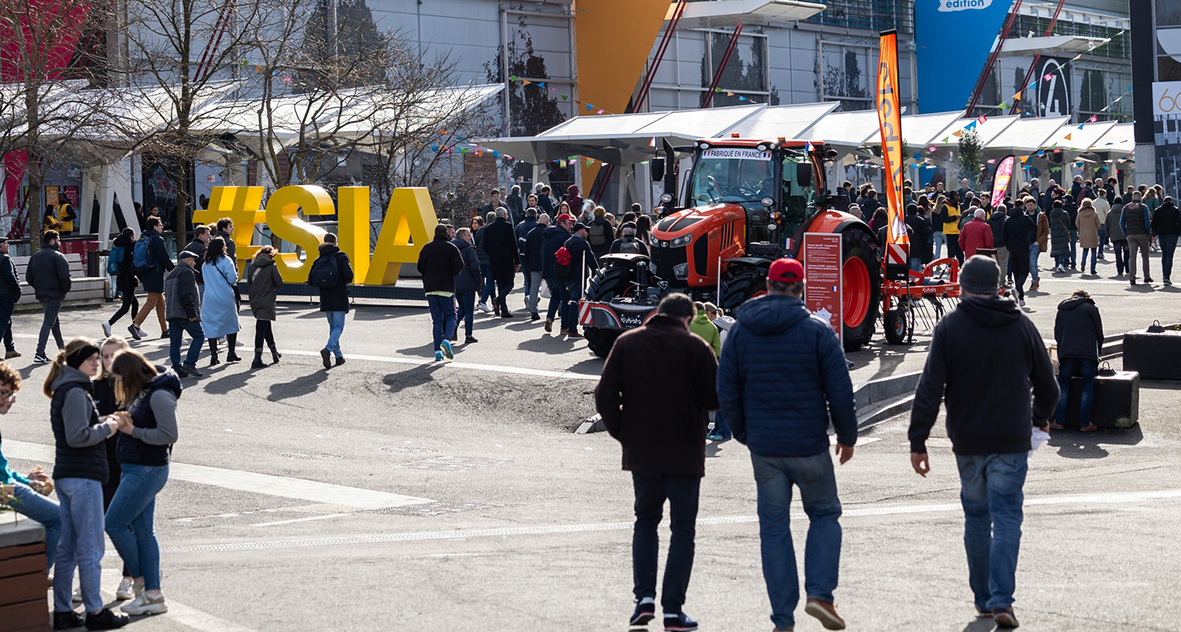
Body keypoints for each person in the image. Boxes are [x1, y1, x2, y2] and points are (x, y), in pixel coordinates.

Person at [908, 256, 1058, 629]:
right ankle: (1002, 599)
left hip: (968, 439)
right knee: (1007, 517)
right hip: (1011, 438)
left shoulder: (950, 327)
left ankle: (983, 601)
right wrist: (1038, 420)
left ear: (961, 286)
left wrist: (918, 439)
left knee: (976, 517)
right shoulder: (1021, 325)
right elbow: (1049, 387)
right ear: (999, 286)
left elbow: (929, 388)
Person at [716, 257, 856, 632]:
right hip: (809, 443)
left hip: (765, 448)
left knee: (774, 528)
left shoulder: (742, 330)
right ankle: (820, 595)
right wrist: (846, 436)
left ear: (768, 283)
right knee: (824, 514)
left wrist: (745, 433)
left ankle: (782, 619)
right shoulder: (816, 330)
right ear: (801, 287)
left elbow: (726, 389)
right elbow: (840, 390)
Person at [594, 294, 719, 632]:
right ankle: (674, 611)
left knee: (646, 522)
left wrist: (623, 433)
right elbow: (713, 398)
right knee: (683, 530)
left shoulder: (627, 343)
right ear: (686, 319)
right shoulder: (697, 348)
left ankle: (643, 600)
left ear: (658, 314)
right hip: (685, 453)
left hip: (643, 452)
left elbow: (604, 394)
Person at [47, 338, 129, 630]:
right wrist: (108, 427)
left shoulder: (70, 389)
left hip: (69, 475)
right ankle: (95, 611)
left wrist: (104, 419)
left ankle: (63, 610)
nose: (97, 363)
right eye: (91, 359)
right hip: (82, 477)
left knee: (68, 547)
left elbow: (76, 430)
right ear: (76, 363)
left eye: (98, 358)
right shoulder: (75, 392)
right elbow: (78, 436)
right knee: (91, 546)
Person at [105, 350, 180, 617]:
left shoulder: (158, 393)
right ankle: (152, 594)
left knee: (113, 523)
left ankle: (142, 584)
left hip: (146, 469)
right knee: (143, 531)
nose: (118, 386)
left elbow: (169, 434)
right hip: (139, 468)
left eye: (119, 380)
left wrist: (132, 430)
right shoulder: (147, 390)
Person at [0, 362, 61, 573]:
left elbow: (3, 470)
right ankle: (38, 576)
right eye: (2, 393)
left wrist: (28, 481)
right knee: (59, 518)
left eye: (8, 394)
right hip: (4, 492)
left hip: (5, 488)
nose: (6, 399)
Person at [91, 335, 136, 602]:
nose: (108, 361)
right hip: (103, 464)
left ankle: (129, 577)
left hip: (129, 464)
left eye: (114, 356)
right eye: (104, 356)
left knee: (126, 523)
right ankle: (89, 578)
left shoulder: (134, 387)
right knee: (99, 523)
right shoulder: (96, 387)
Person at [1052, 289, 1103, 432]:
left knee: (1063, 386)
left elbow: (1057, 332)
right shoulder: (1091, 308)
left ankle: (1059, 421)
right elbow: (1099, 333)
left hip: (1067, 352)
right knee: (1087, 387)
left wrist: (1062, 348)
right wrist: (1098, 352)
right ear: (1086, 297)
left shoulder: (1062, 309)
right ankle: (1085, 423)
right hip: (1087, 353)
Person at [417, 224, 463, 361]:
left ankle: (437, 351)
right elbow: (459, 266)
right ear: (446, 234)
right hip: (446, 287)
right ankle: (447, 340)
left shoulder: (426, 248)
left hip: (430, 288)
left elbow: (419, 266)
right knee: (451, 316)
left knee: (436, 320)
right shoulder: (451, 248)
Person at [26, 229, 71, 363]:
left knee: (54, 323)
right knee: (48, 322)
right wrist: (64, 290)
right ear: (52, 241)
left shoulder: (35, 256)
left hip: (42, 294)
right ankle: (39, 353)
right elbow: (65, 278)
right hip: (55, 294)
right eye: (58, 240)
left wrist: (39, 288)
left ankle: (63, 351)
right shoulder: (58, 256)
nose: (59, 243)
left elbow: (29, 277)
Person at [128, 217, 174, 340]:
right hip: (155, 273)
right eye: (160, 224)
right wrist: (174, 271)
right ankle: (136, 325)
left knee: (160, 302)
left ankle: (165, 330)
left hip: (146, 272)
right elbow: (164, 258)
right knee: (151, 301)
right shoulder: (157, 239)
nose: (162, 226)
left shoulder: (144, 237)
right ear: (154, 226)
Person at [314, 233, 353, 368]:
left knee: (333, 327)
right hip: (338, 296)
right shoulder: (341, 257)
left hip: (325, 297)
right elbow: (349, 276)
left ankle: (339, 356)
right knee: (338, 327)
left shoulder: (320, 258)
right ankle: (328, 349)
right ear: (335, 242)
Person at [200, 238, 241, 366]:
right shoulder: (226, 260)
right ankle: (231, 352)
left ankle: (213, 355)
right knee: (231, 323)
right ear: (222, 247)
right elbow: (233, 278)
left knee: (211, 325)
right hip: (225, 296)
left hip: (209, 298)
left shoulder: (205, 264)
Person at [163, 251, 204, 378]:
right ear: (187, 260)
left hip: (172, 313)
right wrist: (192, 314)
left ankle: (176, 367)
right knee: (199, 336)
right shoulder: (186, 272)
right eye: (193, 260)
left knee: (175, 342)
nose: (195, 263)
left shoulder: (171, 274)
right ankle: (189, 363)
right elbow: (185, 295)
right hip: (184, 313)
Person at [245, 246, 284, 368]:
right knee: (261, 328)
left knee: (266, 326)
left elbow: (249, 283)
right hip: (267, 300)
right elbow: (279, 283)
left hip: (255, 300)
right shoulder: (271, 266)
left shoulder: (252, 266)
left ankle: (274, 352)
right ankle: (257, 358)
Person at [562, 222, 598, 339]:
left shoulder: (568, 242)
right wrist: (597, 273)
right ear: (580, 231)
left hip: (567, 276)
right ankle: (573, 329)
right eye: (585, 230)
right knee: (575, 302)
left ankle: (565, 326)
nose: (587, 233)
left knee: (568, 302)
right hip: (578, 276)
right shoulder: (582, 243)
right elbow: (591, 259)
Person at [483, 208, 521, 318]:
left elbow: (485, 245)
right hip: (507, 259)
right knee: (509, 283)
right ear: (504, 215)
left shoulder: (488, 228)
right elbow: (513, 245)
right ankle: (499, 300)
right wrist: (517, 261)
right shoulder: (508, 226)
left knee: (500, 284)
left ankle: (504, 309)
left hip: (494, 260)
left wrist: (492, 254)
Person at [102, 229, 139, 340]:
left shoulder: (119, 244)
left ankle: (137, 326)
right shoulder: (130, 246)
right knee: (125, 307)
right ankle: (109, 323)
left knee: (135, 303)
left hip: (121, 278)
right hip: (128, 279)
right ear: (132, 236)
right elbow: (131, 264)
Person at [541, 213, 574, 333]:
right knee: (565, 299)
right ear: (562, 223)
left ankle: (550, 317)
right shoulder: (564, 236)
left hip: (548, 271)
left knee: (555, 295)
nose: (571, 226)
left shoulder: (547, 234)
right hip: (560, 272)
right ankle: (564, 327)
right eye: (569, 223)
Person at [452, 227, 482, 344]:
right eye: (469, 235)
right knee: (469, 310)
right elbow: (475, 267)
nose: (471, 237)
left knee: (462, 308)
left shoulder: (452, 248)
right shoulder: (469, 250)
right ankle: (468, 335)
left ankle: (453, 326)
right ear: (463, 237)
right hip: (469, 283)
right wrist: (478, 282)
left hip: (456, 283)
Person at [1002, 203, 1035, 307]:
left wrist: (1009, 247)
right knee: (1024, 272)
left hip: (1012, 249)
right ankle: (1017, 290)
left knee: (1016, 273)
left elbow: (1004, 237)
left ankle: (1021, 298)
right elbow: (1032, 227)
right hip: (1023, 248)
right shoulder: (1024, 218)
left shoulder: (1007, 221)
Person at [1120, 192, 1152, 285]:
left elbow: (1121, 223)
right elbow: (1147, 222)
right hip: (1142, 234)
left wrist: (1126, 233)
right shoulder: (1144, 207)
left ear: (1132, 198)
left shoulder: (1126, 207)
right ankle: (1146, 276)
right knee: (1145, 256)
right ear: (1140, 198)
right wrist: (1148, 233)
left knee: (1132, 256)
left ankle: (1132, 277)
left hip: (1131, 234)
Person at [523, 214, 550, 321]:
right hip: (546, 264)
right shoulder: (549, 232)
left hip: (534, 264)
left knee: (534, 287)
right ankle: (558, 308)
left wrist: (529, 263)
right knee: (552, 287)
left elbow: (527, 250)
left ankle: (533, 311)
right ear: (547, 221)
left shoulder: (531, 233)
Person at [1151, 196, 1180, 285]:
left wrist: (1154, 233)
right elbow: (1179, 222)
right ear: (1171, 201)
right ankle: (1167, 276)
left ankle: (1164, 275)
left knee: (1164, 254)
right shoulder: (1175, 210)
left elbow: (1154, 223)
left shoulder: (1158, 210)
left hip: (1162, 234)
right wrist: (1178, 233)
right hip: (1172, 234)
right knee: (1170, 255)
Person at [0, 237, 20, 359]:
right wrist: (17, 290)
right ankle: (10, 349)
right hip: (6, 294)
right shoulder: (5, 259)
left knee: (7, 321)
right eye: (5, 243)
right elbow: (10, 277)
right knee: (3, 322)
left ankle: (10, 349)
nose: (7, 245)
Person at [515, 207, 539, 307]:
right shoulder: (538, 226)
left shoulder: (519, 226)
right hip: (536, 256)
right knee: (535, 279)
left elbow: (515, 241)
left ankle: (528, 296)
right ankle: (532, 298)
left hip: (522, 254)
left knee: (527, 278)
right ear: (536, 215)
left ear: (526, 215)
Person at [473, 213, 497, 313]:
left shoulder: (481, 230)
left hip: (480, 258)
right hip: (489, 259)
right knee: (490, 281)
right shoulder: (494, 230)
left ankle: (493, 302)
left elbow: (477, 243)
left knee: (485, 282)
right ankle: (483, 301)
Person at [182, 225, 210, 297]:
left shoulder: (187, 247)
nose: (209, 237)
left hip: (188, 280)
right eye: (207, 235)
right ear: (201, 236)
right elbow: (205, 266)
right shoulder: (203, 249)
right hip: (200, 281)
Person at [1076, 199, 1102, 276]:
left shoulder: (1080, 213)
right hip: (1093, 233)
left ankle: (1083, 263)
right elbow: (1098, 224)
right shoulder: (1094, 213)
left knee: (1085, 250)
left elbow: (1077, 223)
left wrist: (1082, 229)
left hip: (1084, 233)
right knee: (1093, 251)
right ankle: (1093, 269)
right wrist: (1095, 229)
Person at [905, 203, 933, 271]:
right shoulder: (920, 221)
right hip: (917, 247)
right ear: (916, 211)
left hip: (904, 247)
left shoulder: (903, 220)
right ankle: (913, 280)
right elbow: (925, 234)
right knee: (915, 268)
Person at [1105, 196, 1128, 278]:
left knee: (1118, 254)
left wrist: (1108, 235)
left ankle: (1120, 270)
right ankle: (1128, 269)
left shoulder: (1110, 213)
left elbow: (1106, 225)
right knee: (1127, 252)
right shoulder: (1124, 211)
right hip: (1125, 235)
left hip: (1114, 236)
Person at [988, 205, 1010, 283]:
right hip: (1002, 243)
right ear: (1005, 211)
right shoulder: (1005, 219)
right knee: (1003, 262)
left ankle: (994, 280)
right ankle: (1002, 281)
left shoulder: (990, 219)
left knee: (994, 263)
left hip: (992, 243)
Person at [1048, 200, 1072, 272]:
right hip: (1063, 233)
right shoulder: (1064, 213)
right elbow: (1068, 223)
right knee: (1063, 249)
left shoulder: (1051, 214)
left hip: (1054, 233)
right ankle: (1060, 264)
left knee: (1056, 248)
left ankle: (1057, 263)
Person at [941, 191, 964, 263]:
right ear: (952, 197)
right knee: (951, 250)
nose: (958, 197)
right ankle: (951, 266)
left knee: (959, 251)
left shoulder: (958, 205)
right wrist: (955, 217)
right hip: (950, 231)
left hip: (957, 231)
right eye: (957, 195)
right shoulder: (945, 206)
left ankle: (961, 265)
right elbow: (943, 219)